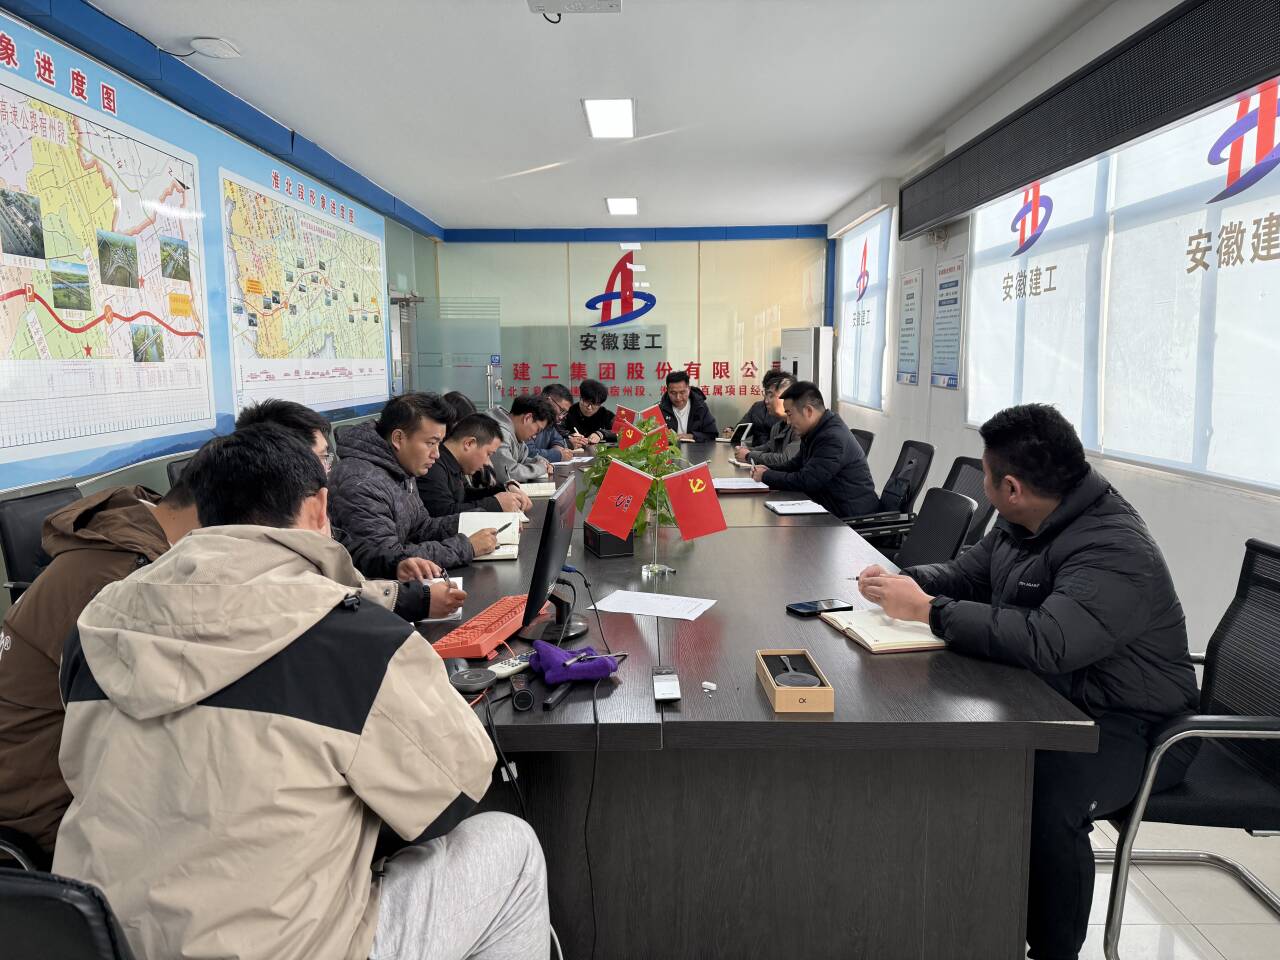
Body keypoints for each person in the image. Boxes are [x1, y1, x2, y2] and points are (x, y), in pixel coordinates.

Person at [54, 424, 549, 960]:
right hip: (284, 950)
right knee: (511, 846)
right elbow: (455, 793)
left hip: (102, 942)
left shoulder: (96, 629)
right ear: (319, 507)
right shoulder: (355, 638)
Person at [856, 403, 1199, 960]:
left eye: (988, 477)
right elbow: (967, 575)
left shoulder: (1113, 547)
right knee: (953, 753)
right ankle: (951, 913)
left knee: (1043, 791)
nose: (986, 487)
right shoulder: (1024, 521)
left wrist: (930, 611)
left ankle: (1054, 951)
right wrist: (903, 582)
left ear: (1011, 487)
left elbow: (1050, 641)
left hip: (1137, 725)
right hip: (1055, 694)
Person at [0, 480, 200, 863]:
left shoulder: (125, 542)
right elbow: (159, 722)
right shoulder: (123, 579)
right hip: (41, 814)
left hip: (52, 776)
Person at [236, 398, 465, 619]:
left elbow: (347, 551)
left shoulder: (293, 506)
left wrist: (396, 565)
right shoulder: (356, 482)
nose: (328, 470)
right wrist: (415, 599)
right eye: (323, 457)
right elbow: (326, 597)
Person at [330, 392, 498, 575]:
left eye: (439, 444)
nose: (437, 454)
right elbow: (389, 560)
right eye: (431, 443)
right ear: (398, 439)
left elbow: (422, 527)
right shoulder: (361, 483)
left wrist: (478, 520)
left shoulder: (400, 467)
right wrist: (466, 547)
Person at [751, 381, 877, 517]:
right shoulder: (815, 431)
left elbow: (807, 481)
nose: (788, 422)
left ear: (808, 411)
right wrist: (768, 469)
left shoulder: (832, 437)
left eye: (790, 414)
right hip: (827, 508)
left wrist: (766, 476)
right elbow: (795, 465)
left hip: (848, 518)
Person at [420, 413, 532, 517]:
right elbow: (443, 513)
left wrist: (505, 489)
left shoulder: (453, 463)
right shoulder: (433, 465)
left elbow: (466, 495)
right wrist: (496, 504)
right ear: (469, 443)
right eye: (488, 454)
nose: (487, 462)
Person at [485, 395, 556, 485]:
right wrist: (540, 468)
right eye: (538, 430)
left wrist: (538, 461)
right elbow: (508, 474)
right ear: (527, 418)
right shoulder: (499, 433)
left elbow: (520, 461)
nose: (535, 436)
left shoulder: (515, 434)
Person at [735, 372, 798, 467]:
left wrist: (748, 455)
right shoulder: (778, 426)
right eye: (766, 395)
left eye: (771, 396)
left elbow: (786, 459)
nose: (766, 401)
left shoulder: (801, 426)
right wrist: (745, 451)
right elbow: (769, 447)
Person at [723, 368, 787, 439]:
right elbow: (741, 429)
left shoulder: (788, 411)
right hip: (758, 446)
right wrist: (732, 432)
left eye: (771, 394)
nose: (767, 399)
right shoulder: (757, 408)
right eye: (767, 392)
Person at [659, 370, 718, 442]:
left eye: (682, 392)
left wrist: (691, 436)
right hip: (670, 449)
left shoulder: (700, 407)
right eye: (673, 393)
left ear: (689, 389)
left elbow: (712, 434)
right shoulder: (660, 409)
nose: (678, 397)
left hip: (695, 449)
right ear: (667, 390)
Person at [526, 383, 575, 462]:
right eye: (562, 410)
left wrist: (558, 448)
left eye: (565, 413)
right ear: (549, 400)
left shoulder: (550, 421)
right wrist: (557, 455)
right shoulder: (529, 417)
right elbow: (529, 453)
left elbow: (558, 439)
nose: (561, 417)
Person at [562, 379, 616, 444]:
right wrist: (569, 436)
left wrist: (601, 434)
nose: (589, 407)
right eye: (586, 402)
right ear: (580, 397)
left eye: (594, 404)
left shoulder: (606, 415)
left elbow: (622, 432)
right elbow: (557, 432)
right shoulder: (568, 412)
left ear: (600, 404)